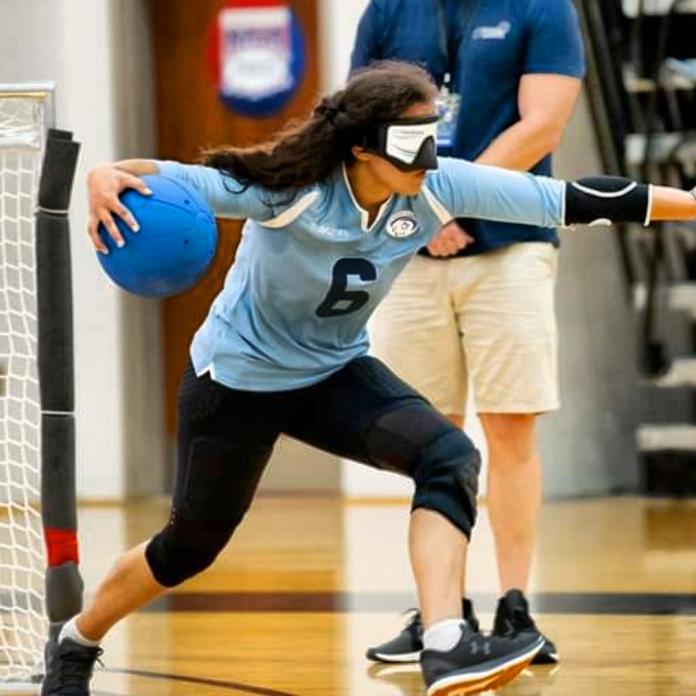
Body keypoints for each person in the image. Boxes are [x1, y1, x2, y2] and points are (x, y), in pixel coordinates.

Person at [41, 62, 696, 696]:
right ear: (360, 148)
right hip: (237, 380)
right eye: (410, 142)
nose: (428, 156)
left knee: (449, 456)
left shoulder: (439, 186)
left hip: (332, 373)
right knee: (188, 549)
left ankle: (443, 641)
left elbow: (570, 199)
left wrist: (691, 204)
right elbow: (170, 177)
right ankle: (77, 638)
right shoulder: (286, 189)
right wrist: (102, 173)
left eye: (432, 136)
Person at [351, 0, 585, 664]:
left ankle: (516, 608)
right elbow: (356, 125)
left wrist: (449, 196)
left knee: (511, 427)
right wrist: (421, 210)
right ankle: (440, 615)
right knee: (427, 435)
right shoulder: (388, 11)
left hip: (511, 249)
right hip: (410, 254)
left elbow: (543, 124)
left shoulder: (542, 8)